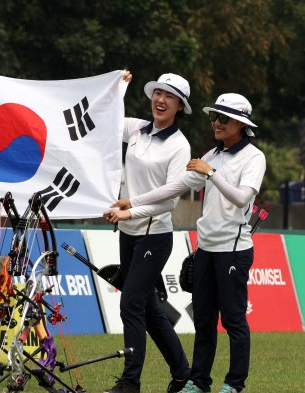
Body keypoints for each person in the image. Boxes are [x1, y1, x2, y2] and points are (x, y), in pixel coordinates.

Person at [108, 93, 266, 393]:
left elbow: (243, 197)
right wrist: (132, 203)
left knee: (233, 320)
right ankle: (198, 381)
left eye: (223, 119)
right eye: (214, 117)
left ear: (241, 124)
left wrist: (212, 174)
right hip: (205, 249)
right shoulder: (210, 156)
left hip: (234, 251)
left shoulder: (254, 157)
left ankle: (234, 384)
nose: (216, 123)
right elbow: (176, 187)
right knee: (204, 320)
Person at [102, 73, 192, 393]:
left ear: (180, 106)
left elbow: (169, 201)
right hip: (127, 232)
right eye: (158, 93)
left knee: (130, 303)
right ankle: (183, 372)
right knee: (148, 307)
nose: (161, 100)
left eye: (170, 96)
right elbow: (107, 119)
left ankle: (130, 382)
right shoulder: (137, 128)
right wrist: (119, 86)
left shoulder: (180, 147)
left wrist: (129, 210)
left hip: (155, 235)